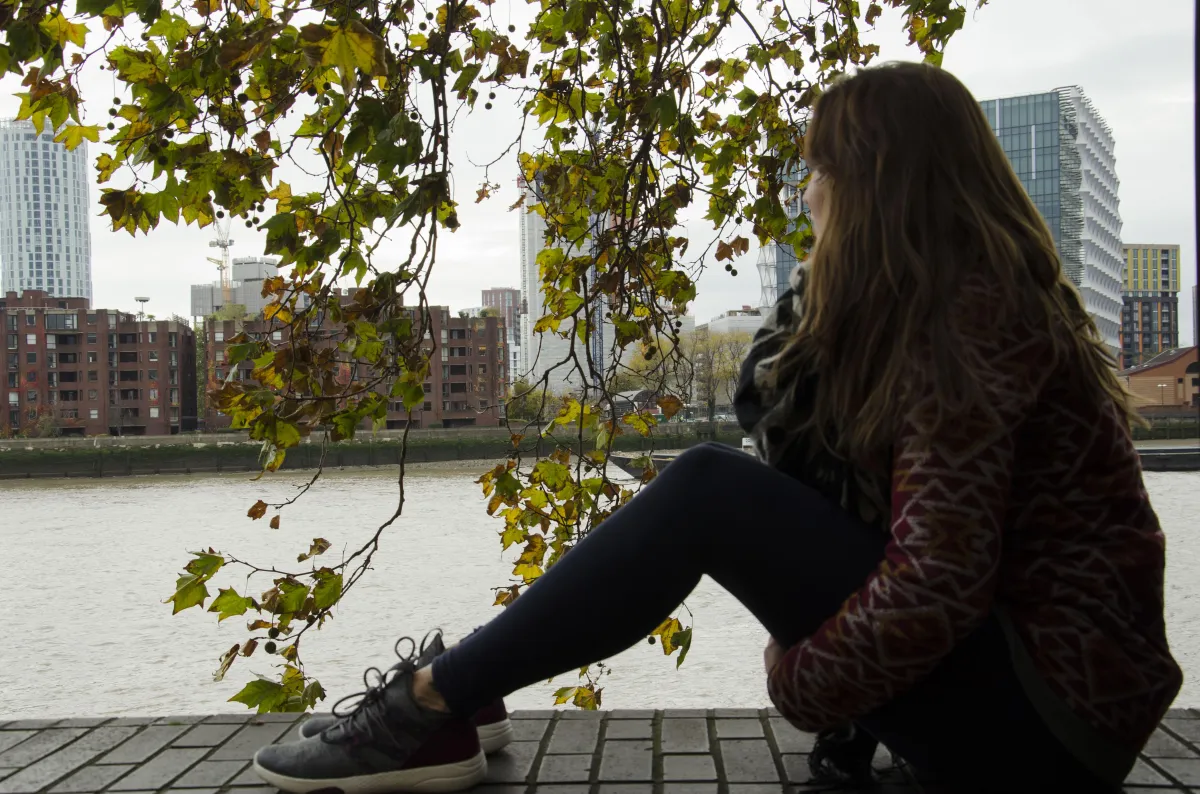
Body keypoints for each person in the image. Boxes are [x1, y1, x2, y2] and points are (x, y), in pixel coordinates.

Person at [252, 62, 1181, 794]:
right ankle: (465, 696)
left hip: (1046, 732)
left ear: (872, 184)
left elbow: (938, 581)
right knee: (728, 486)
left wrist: (799, 683)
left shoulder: (973, 317)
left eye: (819, 169)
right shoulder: (952, 307)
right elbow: (892, 530)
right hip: (1042, 711)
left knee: (707, 488)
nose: (806, 194)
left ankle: (422, 708)